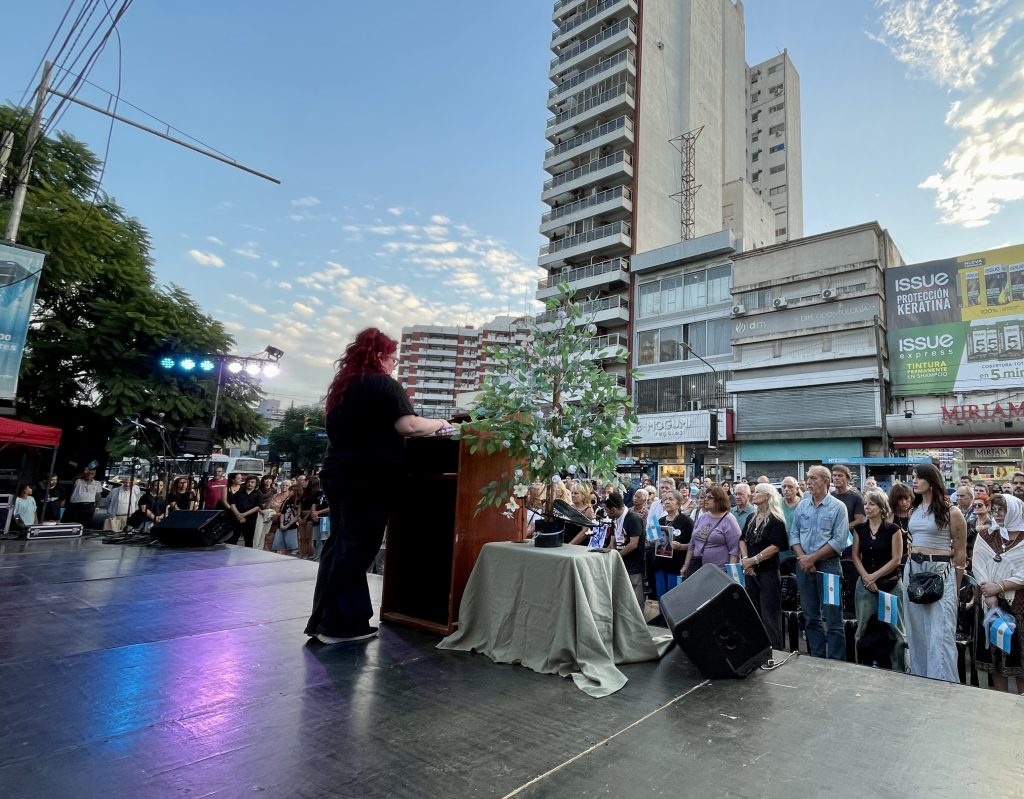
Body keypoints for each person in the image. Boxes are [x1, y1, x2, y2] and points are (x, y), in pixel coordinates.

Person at [305, 327, 451, 645]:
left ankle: (322, 621)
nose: (394, 365)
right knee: (356, 548)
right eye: (393, 359)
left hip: (337, 473)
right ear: (380, 356)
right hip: (368, 478)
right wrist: (442, 424)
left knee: (339, 545)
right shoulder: (383, 384)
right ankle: (340, 626)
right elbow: (408, 424)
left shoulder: (344, 388)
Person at [904, 463, 968, 682]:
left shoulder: (952, 512)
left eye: (918, 477)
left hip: (940, 570)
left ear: (931, 481)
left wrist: (956, 586)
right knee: (916, 629)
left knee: (940, 632)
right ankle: (919, 677)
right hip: (914, 568)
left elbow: (960, 553)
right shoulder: (914, 510)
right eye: (913, 477)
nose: (914, 481)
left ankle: (943, 683)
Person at [789, 465, 849, 660]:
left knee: (833, 617)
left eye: (813, 478)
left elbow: (839, 541)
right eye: (808, 478)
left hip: (828, 566)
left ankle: (836, 661)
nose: (808, 482)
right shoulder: (802, 506)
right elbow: (794, 534)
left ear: (825, 481)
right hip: (803, 565)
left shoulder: (838, 507)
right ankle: (816, 657)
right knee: (810, 616)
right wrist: (803, 558)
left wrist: (812, 558)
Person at [972, 494, 1024, 693]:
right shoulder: (987, 535)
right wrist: (989, 592)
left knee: (1020, 661)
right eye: (994, 510)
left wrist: (1000, 586)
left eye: (1002, 510)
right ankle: (1000, 699)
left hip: (1019, 605)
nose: (997, 514)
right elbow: (978, 564)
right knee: (994, 657)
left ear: (1015, 511)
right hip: (989, 603)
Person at [851, 489, 905, 670]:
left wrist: (874, 577)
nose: (867, 507)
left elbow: (896, 558)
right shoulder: (860, 529)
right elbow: (855, 556)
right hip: (865, 585)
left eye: (872, 504)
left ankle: (898, 670)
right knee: (862, 629)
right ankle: (861, 667)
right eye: (866, 503)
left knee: (896, 631)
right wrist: (866, 578)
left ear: (881, 507)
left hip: (890, 585)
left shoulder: (893, 530)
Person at [739, 483, 788, 649]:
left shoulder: (776, 520)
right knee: (752, 610)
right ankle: (756, 648)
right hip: (750, 571)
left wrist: (753, 560)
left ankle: (775, 649)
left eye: (758, 492)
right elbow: (742, 539)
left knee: (769, 614)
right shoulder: (751, 518)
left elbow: (776, 546)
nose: (753, 494)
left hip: (768, 572)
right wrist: (746, 559)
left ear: (767, 496)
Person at [681, 486, 741, 578]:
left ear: (719, 500)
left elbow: (734, 550)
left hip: (719, 572)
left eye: (709, 497)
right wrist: (686, 565)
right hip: (697, 568)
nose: (706, 499)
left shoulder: (729, 520)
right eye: (705, 497)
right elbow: (692, 544)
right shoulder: (703, 517)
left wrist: (731, 574)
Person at [603, 490, 645, 607]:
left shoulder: (633, 518)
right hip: (620, 563)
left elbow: (633, 544)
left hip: (633, 565)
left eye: (607, 510)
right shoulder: (615, 519)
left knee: (635, 596)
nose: (606, 513)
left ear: (613, 509)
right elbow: (612, 543)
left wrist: (617, 556)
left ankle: (638, 616)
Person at [652, 489, 692, 598]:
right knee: (661, 596)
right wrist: (653, 541)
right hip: (660, 565)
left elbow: (693, 545)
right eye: (665, 499)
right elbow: (655, 540)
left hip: (676, 566)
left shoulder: (686, 521)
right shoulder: (660, 521)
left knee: (673, 597)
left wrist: (680, 546)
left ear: (678, 503)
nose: (667, 502)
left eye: (670, 499)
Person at [831, 464, 866, 537]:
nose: (836, 478)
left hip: (849, 538)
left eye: (840, 476)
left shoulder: (856, 498)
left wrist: (841, 528)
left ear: (847, 478)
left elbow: (860, 520)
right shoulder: (829, 497)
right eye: (834, 475)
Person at [229, 475, 262, 547]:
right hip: (237, 519)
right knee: (232, 540)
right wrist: (239, 515)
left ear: (256, 484)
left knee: (248, 541)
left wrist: (243, 515)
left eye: (252, 482)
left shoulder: (258, 493)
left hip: (250, 520)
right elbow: (232, 504)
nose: (250, 484)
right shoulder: (239, 492)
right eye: (248, 482)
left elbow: (258, 507)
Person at [273, 483, 303, 555]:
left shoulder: (299, 502)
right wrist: (281, 524)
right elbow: (283, 512)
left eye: (290, 491)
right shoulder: (288, 500)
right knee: (278, 546)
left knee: (292, 547)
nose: (289, 492)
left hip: (292, 526)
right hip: (282, 525)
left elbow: (298, 516)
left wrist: (287, 525)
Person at [253, 475, 277, 551]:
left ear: (272, 481)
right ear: (263, 480)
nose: (268, 481)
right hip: (256, 510)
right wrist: (259, 510)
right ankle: (255, 546)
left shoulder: (273, 490)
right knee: (256, 531)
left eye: (270, 479)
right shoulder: (258, 489)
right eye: (266, 479)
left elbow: (271, 501)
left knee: (263, 531)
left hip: (266, 511)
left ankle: (260, 547)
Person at [221, 472, 244, 542]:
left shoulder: (243, 489)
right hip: (228, 513)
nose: (241, 480)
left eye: (241, 478)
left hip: (239, 513)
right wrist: (232, 511)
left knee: (236, 532)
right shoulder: (226, 488)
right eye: (238, 478)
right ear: (233, 480)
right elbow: (224, 501)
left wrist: (238, 513)